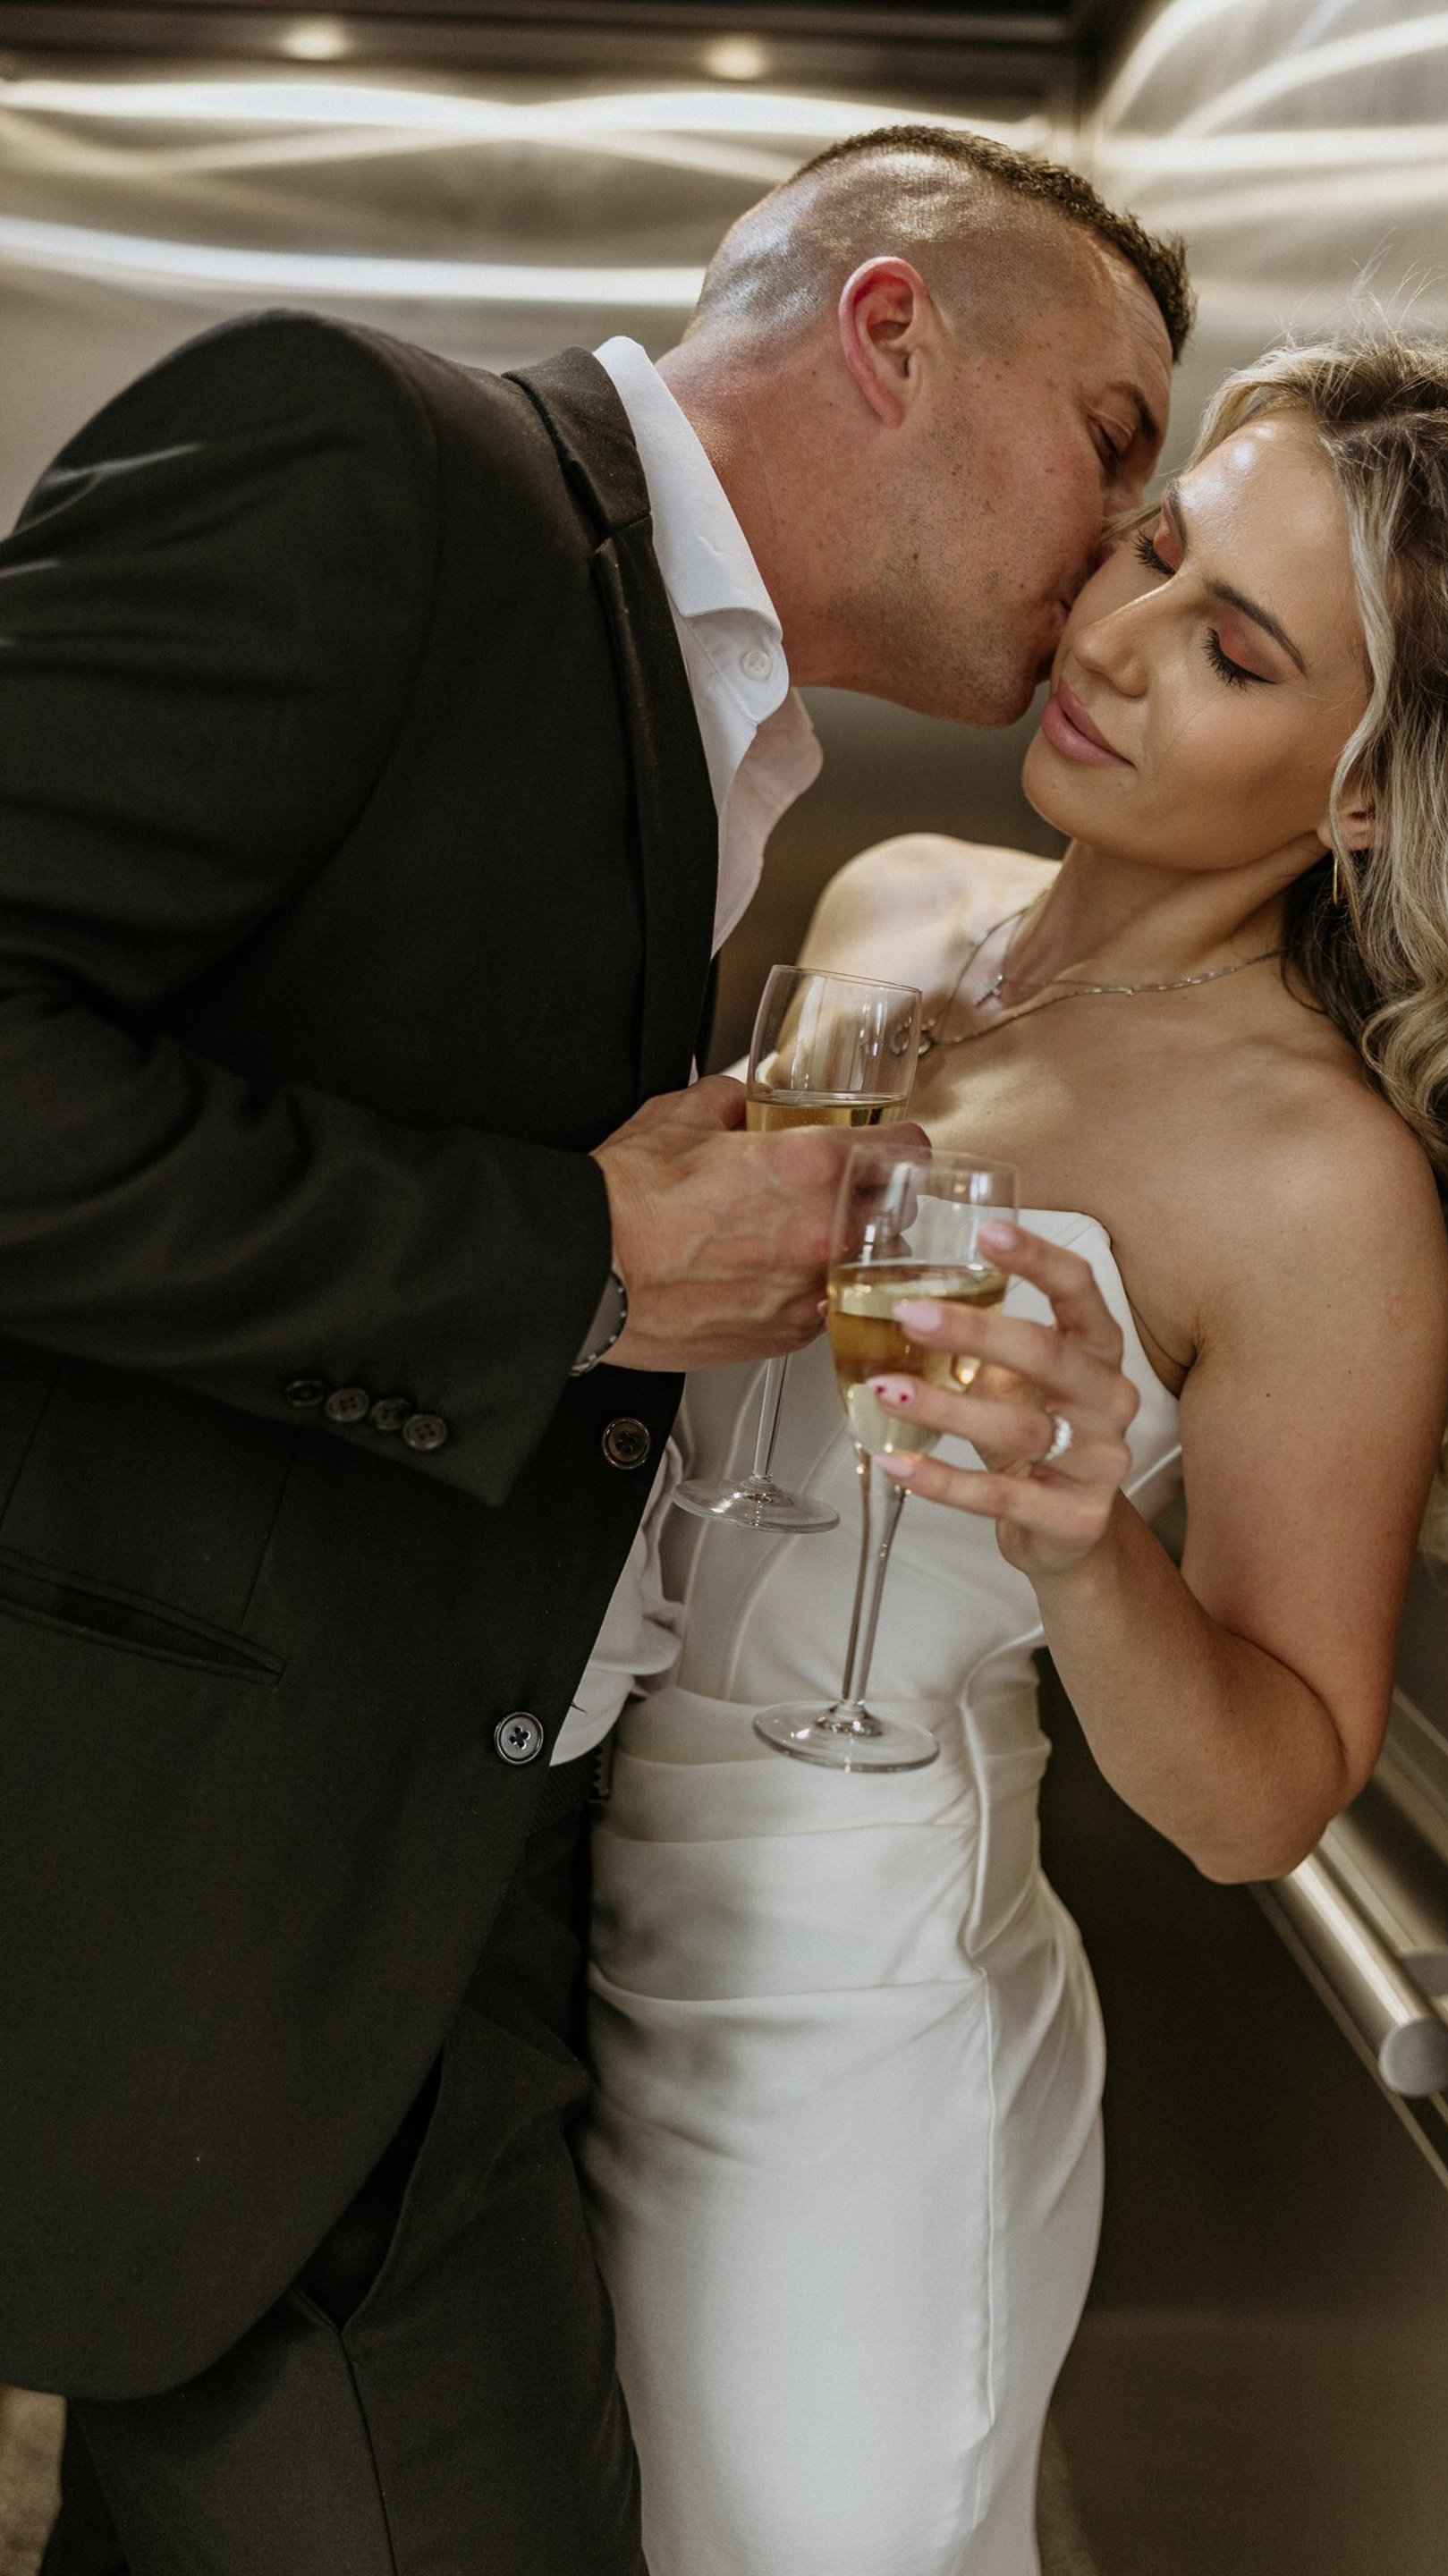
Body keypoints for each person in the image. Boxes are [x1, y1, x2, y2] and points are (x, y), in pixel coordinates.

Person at [0, 129, 1189, 2574]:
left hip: (458, 1896)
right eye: (1115, 435)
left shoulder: (728, 723)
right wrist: (570, 1257)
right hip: (236, 1907)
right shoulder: (370, 463)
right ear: (891, 335)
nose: (1129, 540)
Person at [582, 335, 1448, 2573]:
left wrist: (1080, 1545)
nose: (1117, 644)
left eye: (1231, 650)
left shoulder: (1313, 1181)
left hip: (850, 2028)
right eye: (1152, 552)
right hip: (571, 1904)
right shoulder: (894, 912)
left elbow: (1270, 1795)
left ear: (1361, 793)